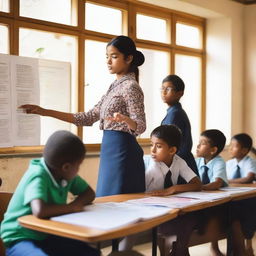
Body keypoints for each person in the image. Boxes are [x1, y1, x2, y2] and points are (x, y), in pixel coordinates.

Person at [19, 35, 146, 197]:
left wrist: (126, 120)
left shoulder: (131, 87)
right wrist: (43, 111)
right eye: (107, 57)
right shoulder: (114, 87)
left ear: (129, 58)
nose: (108, 61)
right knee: (108, 200)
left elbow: (141, 125)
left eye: (114, 57)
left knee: (118, 201)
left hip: (123, 151)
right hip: (110, 149)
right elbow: (86, 118)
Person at [0, 130, 100, 256]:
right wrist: (72, 208)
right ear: (66, 167)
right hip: (20, 237)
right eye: (78, 165)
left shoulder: (64, 174)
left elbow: (89, 193)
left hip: (45, 234)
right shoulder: (38, 175)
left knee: (90, 253)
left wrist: (76, 205)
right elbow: (39, 211)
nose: (78, 170)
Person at [119, 125, 202, 256]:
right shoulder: (151, 165)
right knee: (132, 231)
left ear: (172, 150)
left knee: (189, 218)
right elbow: (137, 192)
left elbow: (197, 184)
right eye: (151, 144)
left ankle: (178, 250)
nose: (152, 150)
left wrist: (173, 189)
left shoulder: (179, 162)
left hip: (168, 206)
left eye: (158, 146)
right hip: (144, 207)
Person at [160, 75, 199, 184]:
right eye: (162, 88)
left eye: (168, 89)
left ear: (179, 93)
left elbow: (171, 144)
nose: (163, 92)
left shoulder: (175, 114)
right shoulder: (172, 112)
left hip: (182, 164)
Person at [195, 129, 228, 256]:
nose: (197, 146)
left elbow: (217, 183)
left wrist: (198, 187)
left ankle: (214, 246)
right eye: (198, 142)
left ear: (213, 150)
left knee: (215, 214)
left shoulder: (219, 162)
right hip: (199, 197)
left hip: (216, 200)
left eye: (202, 143)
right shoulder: (197, 161)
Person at [226, 133, 256, 256]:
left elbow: (248, 178)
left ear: (244, 150)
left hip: (248, 197)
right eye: (230, 146)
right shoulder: (229, 163)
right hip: (232, 195)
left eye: (234, 146)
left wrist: (228, 181)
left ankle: (248, 246)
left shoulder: (250, 161)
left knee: (247, 212)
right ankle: (221, 247)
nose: (230, 149)